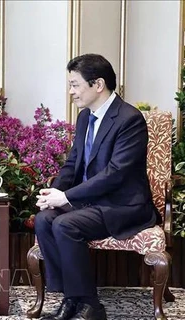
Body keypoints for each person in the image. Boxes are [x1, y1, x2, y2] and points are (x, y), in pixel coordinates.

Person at [35, 54, 160, 320]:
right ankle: (70, 298)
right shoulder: (84, 118)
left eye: (75, 85)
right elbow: (72, 163)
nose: (71, 92)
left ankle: (91, 306)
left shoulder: (129, 119)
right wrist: (52, 194)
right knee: (44, 218)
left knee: (65, 224)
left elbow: (115, 174)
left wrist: (66, 197)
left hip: (123, 204)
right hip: (91, 201)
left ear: (98, 84)